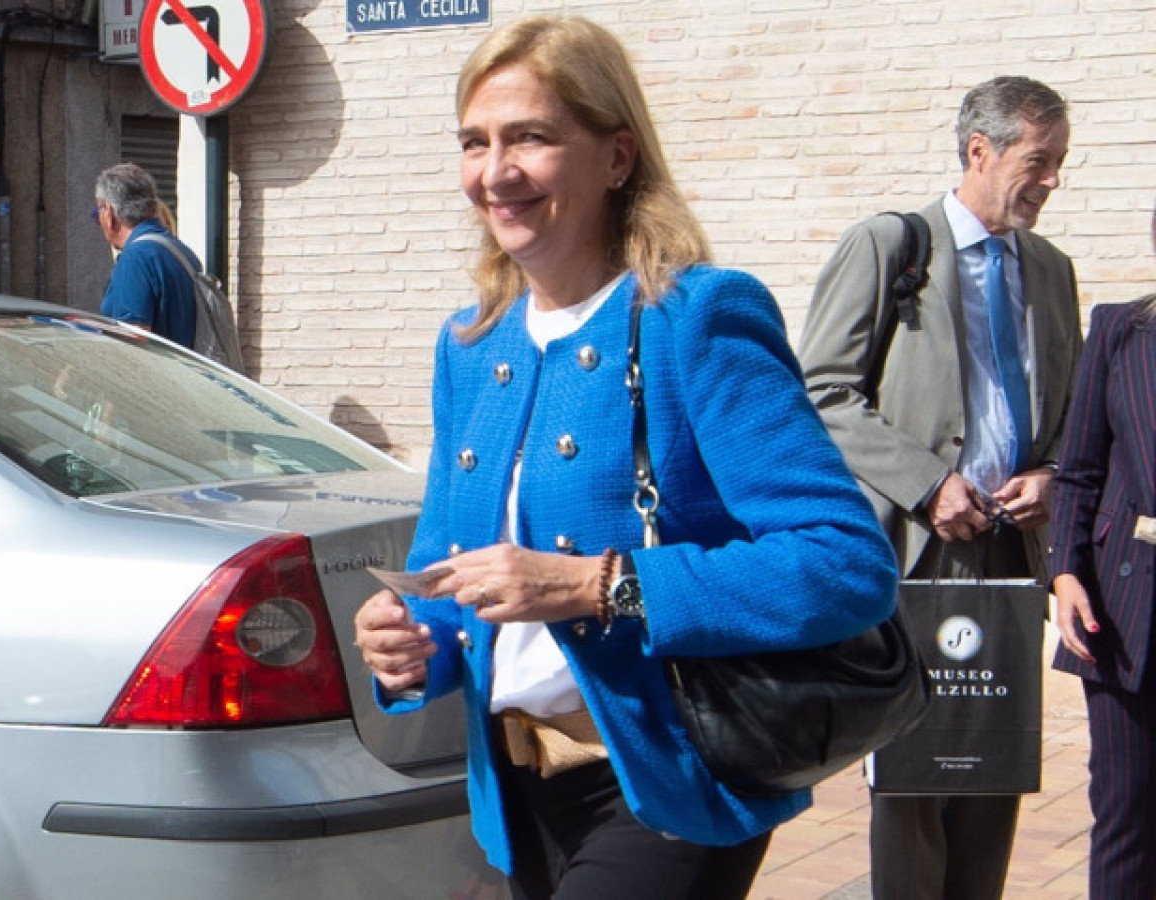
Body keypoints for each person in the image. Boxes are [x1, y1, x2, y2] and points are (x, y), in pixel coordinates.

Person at [354, 15, 899, 900]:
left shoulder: (696, 318)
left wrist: (596, 584)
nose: (496, 171)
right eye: (475, 142)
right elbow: (448, 569)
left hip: (668, 779)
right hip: (517, 788)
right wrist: (415, 642)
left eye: (531, 137)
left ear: (617, 155)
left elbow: (847, 563)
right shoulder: (470, 345)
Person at [797, 76, 1083, 900]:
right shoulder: (892, 246)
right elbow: (821, 391)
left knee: (997, 764)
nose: (1054, 179)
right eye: (1039, 160)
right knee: (916, 771)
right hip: (921, 552)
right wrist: (927, 485)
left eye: (1061, 162)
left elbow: (1069, 404)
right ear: (979, 150)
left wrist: (1050, 474)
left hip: (1011, 552)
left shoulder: (1051, 269)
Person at [1049, 208, 1156, 900]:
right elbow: (1079, 468)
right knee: (1126, 812)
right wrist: (1064, 571)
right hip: (1127, 608)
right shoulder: (1122, 329)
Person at [94, 162, 198, 349]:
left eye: (97, 213)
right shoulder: (181, 252)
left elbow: (131, 341)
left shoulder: (135, 259)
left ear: (108, 213)